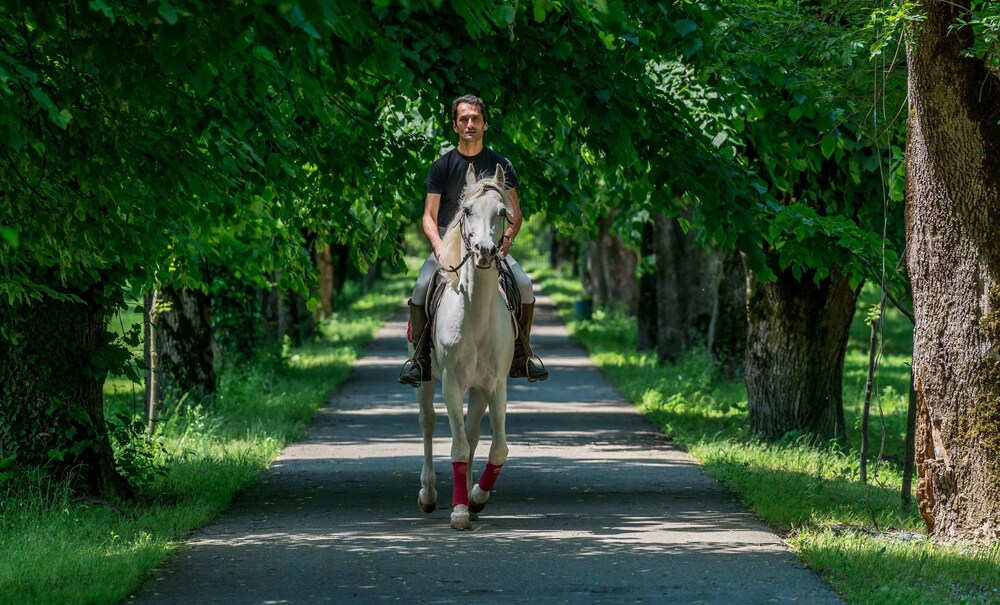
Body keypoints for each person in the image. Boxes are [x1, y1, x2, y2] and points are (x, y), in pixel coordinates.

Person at [399, 94, 548, 387]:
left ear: (485, 124)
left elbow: (515, 213)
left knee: (525, 285)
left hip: (490, 244)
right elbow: (428, 217)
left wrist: (506, 239)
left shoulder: (500, 164)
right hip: (450, 246)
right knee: (419, 288)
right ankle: (420, 359)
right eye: (464, 119)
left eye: (475, 119)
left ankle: (522, 354)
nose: (470, 124)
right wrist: (440, 247)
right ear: (455, 125)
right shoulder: (442, 166)